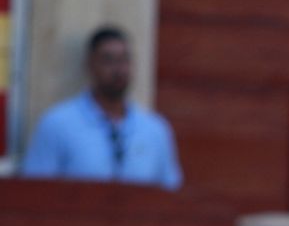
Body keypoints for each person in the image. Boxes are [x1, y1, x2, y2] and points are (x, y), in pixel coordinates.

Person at [21, 26, 182, 189]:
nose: (119, 70)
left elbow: (170, 193)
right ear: (90, 65)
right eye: (108, 60)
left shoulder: (155, 130)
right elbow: (36, 192)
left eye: (124, 59)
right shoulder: (58, 124)